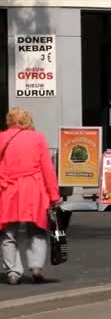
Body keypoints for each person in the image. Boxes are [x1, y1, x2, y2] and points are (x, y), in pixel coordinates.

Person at [0, 108, 60, 285]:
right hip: (34, 189)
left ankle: (13, 272)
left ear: (9, 120)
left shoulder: (2, 138)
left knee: (7, 233)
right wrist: (54, 195)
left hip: (7, 189)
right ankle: (35, 266)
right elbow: (47, 170)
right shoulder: (38, 138)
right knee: (37, 230)